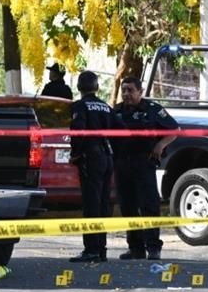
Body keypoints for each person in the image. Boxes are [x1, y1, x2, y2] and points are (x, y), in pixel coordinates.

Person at [113, 76, 179, 260]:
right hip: (122, 165)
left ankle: (153, 248)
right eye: (123, 90)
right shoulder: (117, 111)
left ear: (140, 92)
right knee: (128, 207)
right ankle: (135, 248)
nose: (126, 94)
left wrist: (160, 145)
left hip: (144, 164)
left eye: (130, 90)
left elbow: (174, 130)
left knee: (149, 206)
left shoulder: (152, 109)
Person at [68, 71, 116, 263]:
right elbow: (117, 128)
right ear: (96, 87)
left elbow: (77, 131)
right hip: (107, 156)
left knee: (91, 203)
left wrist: (76, 154)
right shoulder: (106, 106)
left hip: (91, 157)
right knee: (103, 203)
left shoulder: (79, 106)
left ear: (79, 88)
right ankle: (101, 248)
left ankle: (91, 249)